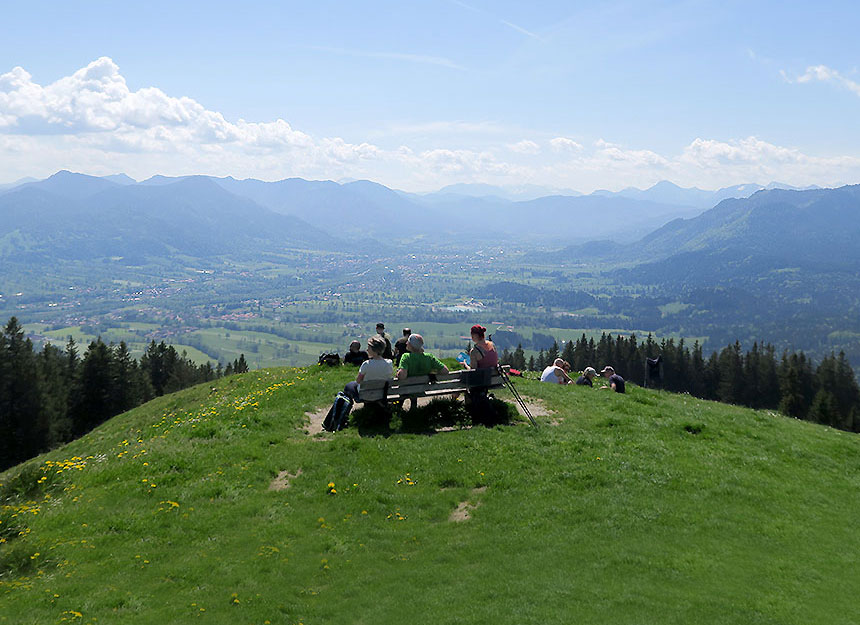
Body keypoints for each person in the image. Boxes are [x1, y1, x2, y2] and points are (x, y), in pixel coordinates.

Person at [343, 336, 394, 401]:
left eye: (369, 348)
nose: (367, 350)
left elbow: (358, 381)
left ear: (373, 349)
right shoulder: (389, 363)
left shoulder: (366, 364)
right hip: (383, 393)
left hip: (366, 394)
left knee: (349, 385)